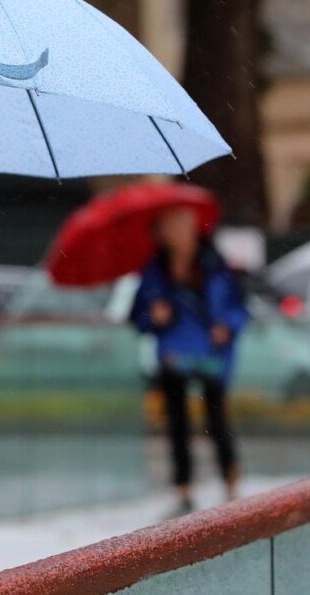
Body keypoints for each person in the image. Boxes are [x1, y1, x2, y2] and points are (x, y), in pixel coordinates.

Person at [129, 206, 248, 516]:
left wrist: (226, 326)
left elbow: (238, 307)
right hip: (172, 355)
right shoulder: (155, 271)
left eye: (182, 224)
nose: (177, 232)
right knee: (177, 422)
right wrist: (154, 316)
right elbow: (137, 316)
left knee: (217, 418)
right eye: (169, 226)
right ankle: (183, 484)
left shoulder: (215, 266)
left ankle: (230, 473)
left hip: (210, 353)